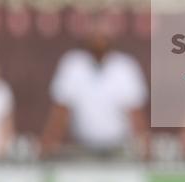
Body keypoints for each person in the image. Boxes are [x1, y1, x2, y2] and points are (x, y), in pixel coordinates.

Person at [41, 15, 149, 161]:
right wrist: (47, 146)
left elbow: (136, 116)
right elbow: (60, 113)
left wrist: (145, 150)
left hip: (119, 149)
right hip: (83, 148)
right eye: (95, 35)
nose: (99, 41)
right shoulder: (73, 65)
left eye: (103, 36)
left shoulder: (125, 67)